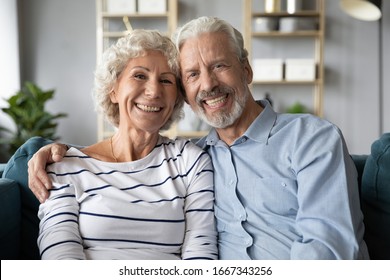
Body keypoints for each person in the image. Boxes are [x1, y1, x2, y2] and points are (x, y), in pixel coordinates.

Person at [28, 17, 368, 260]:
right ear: (188, 95)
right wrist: (52, 151)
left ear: (246, 71)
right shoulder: (201, 156)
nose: (207, 85)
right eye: (192, 74)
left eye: (220, 66)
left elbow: (329, 247)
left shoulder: (310, 139)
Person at [35, 29, 217, 260]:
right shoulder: (65, 166)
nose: (154, 91)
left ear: (176, 100)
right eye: (140, 76)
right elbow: (59, 258)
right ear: (113, 90)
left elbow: (201, 251)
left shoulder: (190, 162)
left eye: (166, 80)